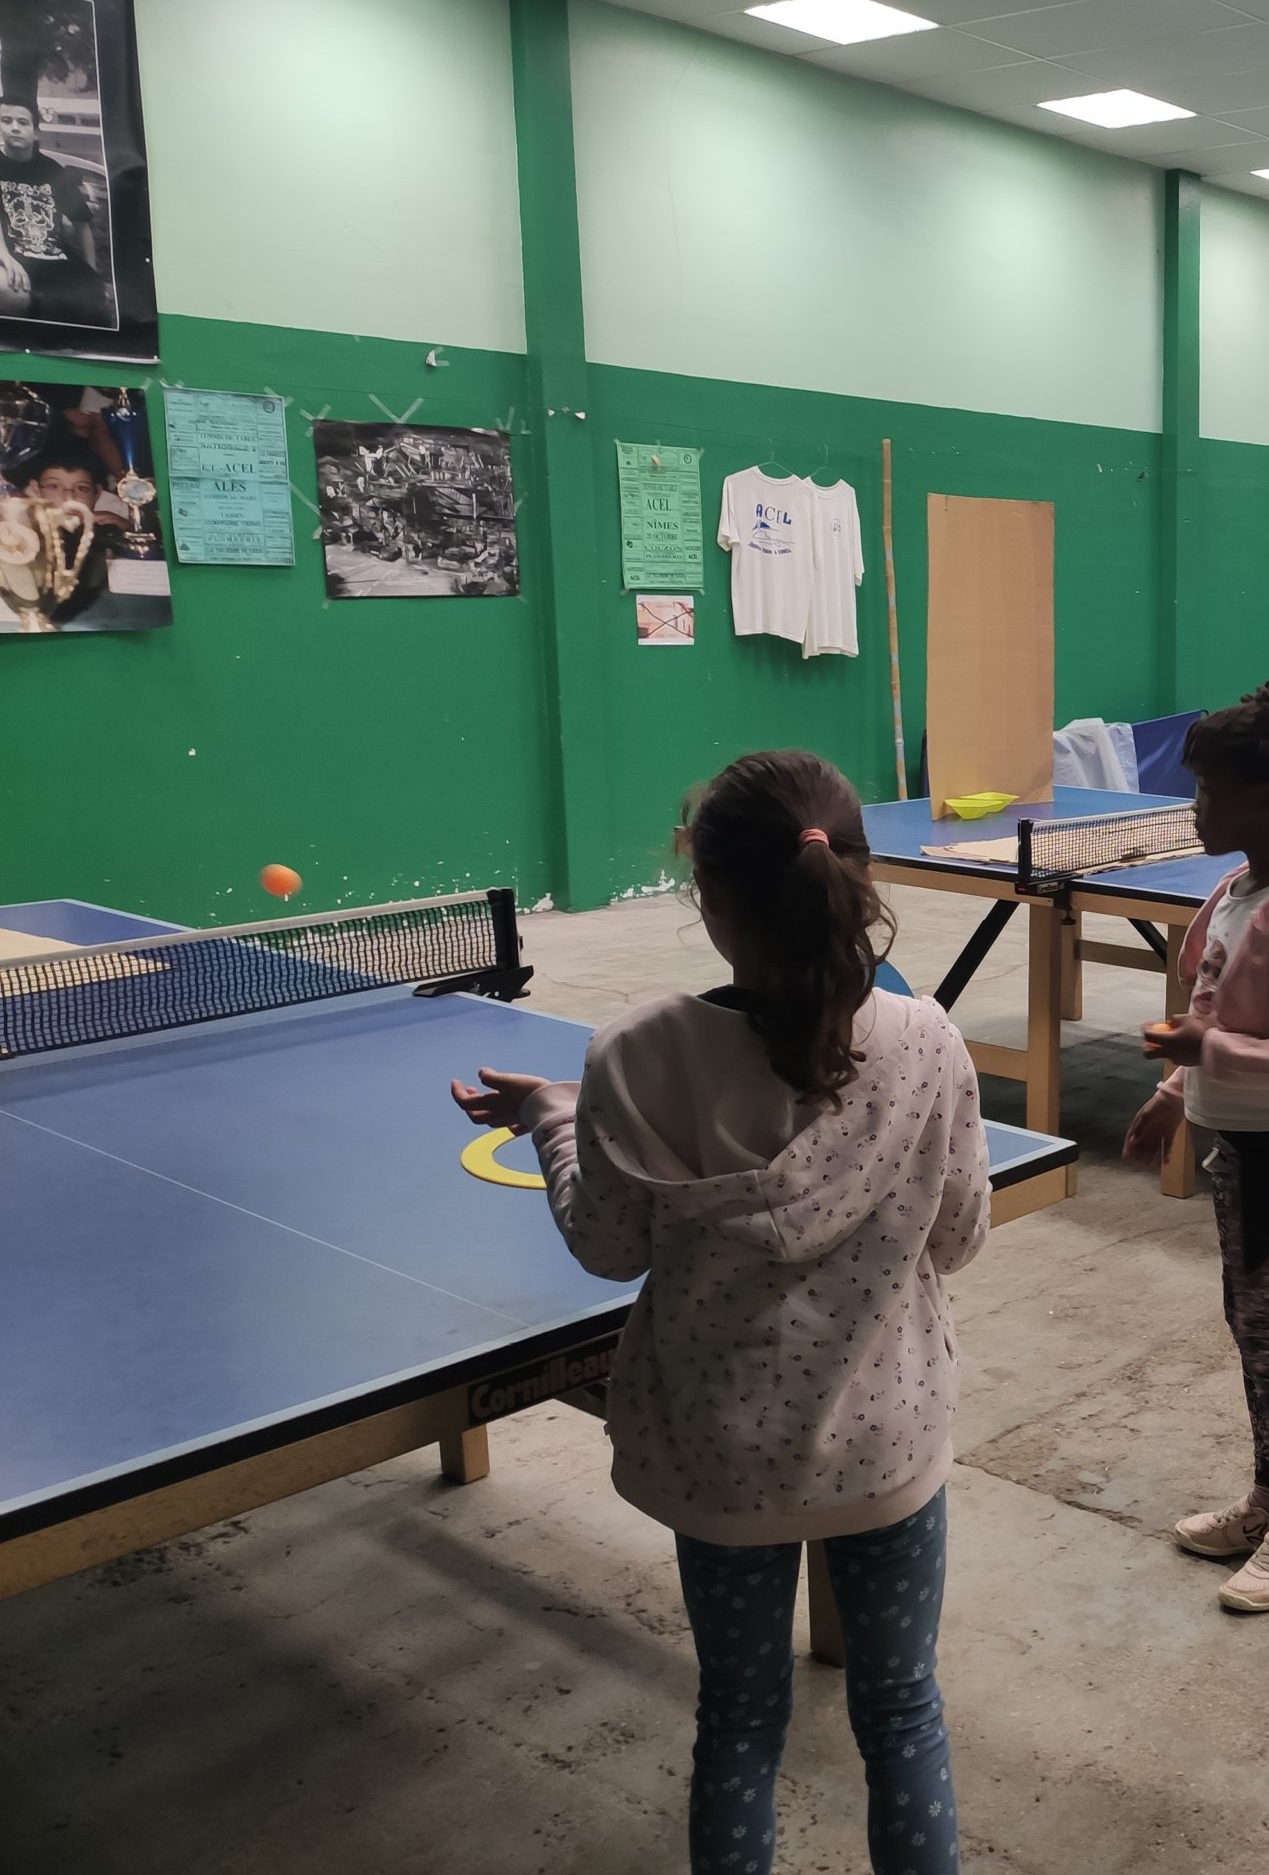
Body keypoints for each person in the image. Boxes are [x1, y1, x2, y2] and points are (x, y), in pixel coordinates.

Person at [450, 750, 986, 1875]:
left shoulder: (634, 1054)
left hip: (720, 1457)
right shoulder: (930, 1041)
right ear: (861, 880)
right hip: (886, 1444)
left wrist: (554, 1120)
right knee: (902, 1713)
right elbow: (956, 1236)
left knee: (738, 1721)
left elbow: (607, 1249)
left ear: (708, 892)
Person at [1125, 682, 1269, 1614]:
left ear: (1265, 799)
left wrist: (1205, 1051)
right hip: (1241, 1142)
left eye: (1208, 791)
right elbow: (1210, 1007)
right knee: (1249, 1328)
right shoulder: (1233, 891)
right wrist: (1171, 1096)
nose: (1195, 806)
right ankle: (1268, 1499)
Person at [0, 87, 106, 325]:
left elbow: (82, 223)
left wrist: (91, 270)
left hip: (56, 260)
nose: (14, 127)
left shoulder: (53, 170)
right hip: (12, 258)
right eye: (6, 121)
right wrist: (4, 257)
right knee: (5, 290)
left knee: (93, 301)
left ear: (36, 132)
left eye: (23, 122)